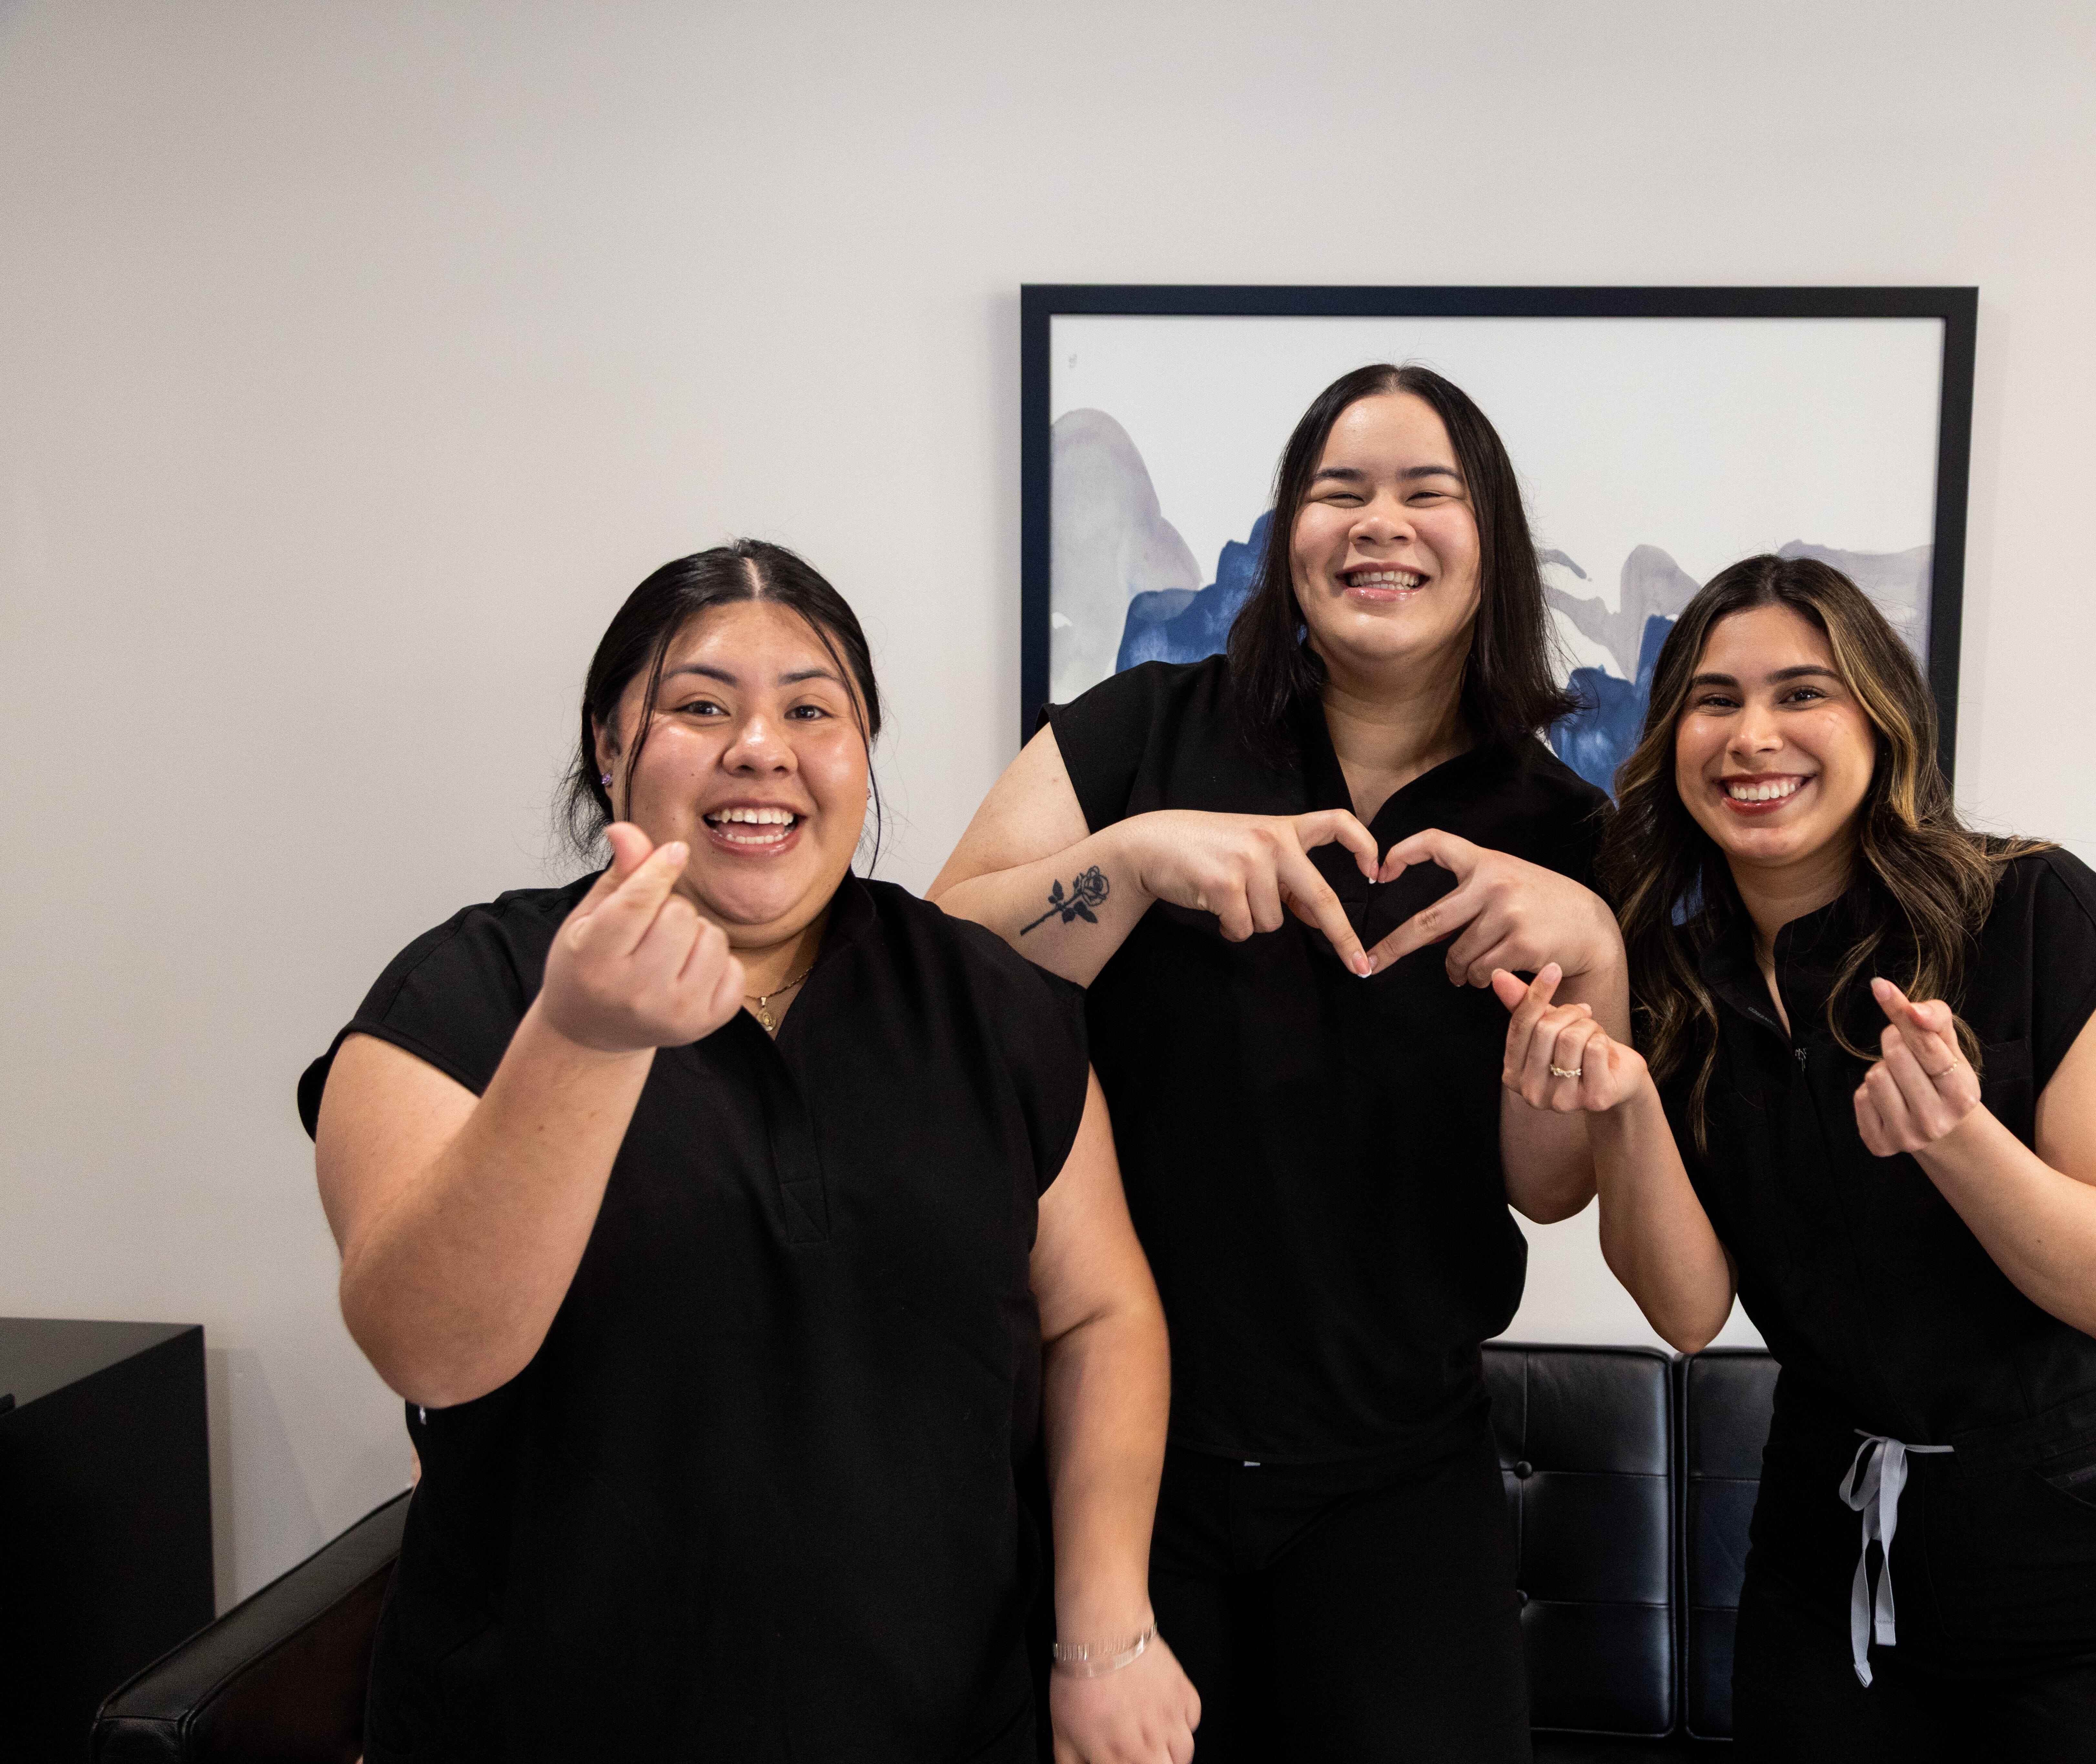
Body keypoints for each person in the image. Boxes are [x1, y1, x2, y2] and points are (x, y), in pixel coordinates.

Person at [301, 541, 1200, 1764]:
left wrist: (1106, 1632)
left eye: (812, 710)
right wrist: (581, 1040)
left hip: (941, 1717)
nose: (761, 747)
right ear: (611, 750)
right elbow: (430, 1350)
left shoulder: (987, 1001)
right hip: (548, 1718)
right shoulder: (473, 992)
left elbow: (1099, 1314)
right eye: (700, 707)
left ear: (862, 749)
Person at [929, 365, 1617, 1761]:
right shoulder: (1143, 729)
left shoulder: (1560, 826)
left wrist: (1593, 955)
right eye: (1337, 491)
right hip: (1117, 1465)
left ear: (1488, 539)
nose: (1381, 524)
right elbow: (936, 971)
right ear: (1284, 532)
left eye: (1427, 492)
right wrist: (1125, 864)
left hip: (1400, 1474)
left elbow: (1544, 1192)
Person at [1498, 555, 2096, 1761]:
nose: (1753, 737)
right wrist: (1631, 1107)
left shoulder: (2035, 913)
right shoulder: (1678, 982)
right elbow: (1693, 1314)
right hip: (1836, 1562)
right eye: (1714, 701)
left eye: (1803, 693)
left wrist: (1960, 1142)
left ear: (1882, 720)